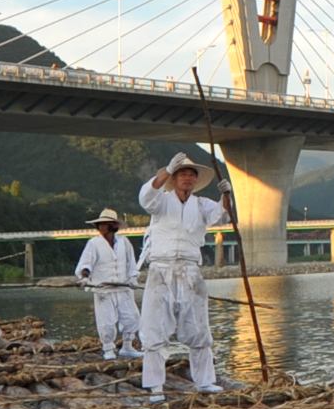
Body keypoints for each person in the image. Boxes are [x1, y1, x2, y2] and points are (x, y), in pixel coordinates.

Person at [136, 157, 225, 394]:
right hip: (161, 269)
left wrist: (226, 196)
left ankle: (204, 381)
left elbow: (221, 216)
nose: (188, 178)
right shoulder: (161, 201)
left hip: (190, 270)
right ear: (174, 178)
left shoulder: (202, 204)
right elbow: (145, 197)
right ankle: (155, 387)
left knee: (198, 327)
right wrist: (166, 169)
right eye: (182, 174)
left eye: (191, 175)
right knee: (154, 327)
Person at [76, 211, 138, 359]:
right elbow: (86, 264)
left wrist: (133, 278)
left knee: (132, 317)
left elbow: (131, 264)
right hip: (104, 289)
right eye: (99, 224)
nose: (100, 227)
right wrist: (85, 278)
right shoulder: (94, 244)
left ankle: (127, 346)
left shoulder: (124, 242)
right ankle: (108, 349)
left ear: (113, 226)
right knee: (106, 321)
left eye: (104, 224)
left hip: (123, 288)